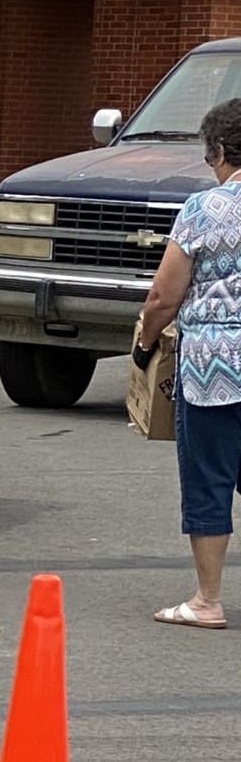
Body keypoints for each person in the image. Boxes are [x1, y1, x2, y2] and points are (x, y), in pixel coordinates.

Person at [132, 97, 241, 628]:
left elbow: (163, 297)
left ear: (219, 151)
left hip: (212, 371)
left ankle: (207, 600)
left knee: (209, 479)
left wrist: (145, 343)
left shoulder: (204, 209)